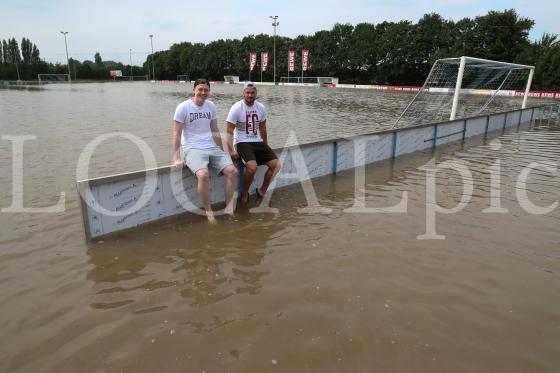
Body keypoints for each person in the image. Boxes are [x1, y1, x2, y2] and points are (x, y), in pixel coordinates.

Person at [172, 78, 238, 222]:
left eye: (206, 90)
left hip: (210, 147)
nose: (203, 92)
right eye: (200, 89)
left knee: (233, 171)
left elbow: (215, 129)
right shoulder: (183, 107)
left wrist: (221, 150)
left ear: (209, 91)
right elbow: (176, 134)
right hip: (192, 148)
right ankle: (209, 213)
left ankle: (229, 207)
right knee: (203, 175)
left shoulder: (211, 106)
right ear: (194, 90)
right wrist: (177, 158)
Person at [226, 82, 280, 204]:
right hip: (242, 141)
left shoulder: (261, 107)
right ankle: (245, 192)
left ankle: (262, 190)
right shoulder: (236, 108)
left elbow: (262, 128)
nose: (250, 95)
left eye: (252, 93)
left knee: (276, 165)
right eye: (247, 92)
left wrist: (265, 145)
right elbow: (229, 131)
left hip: (257, 141)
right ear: (243, 93)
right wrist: (231, 150)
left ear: (256, 94)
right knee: (252, 166)